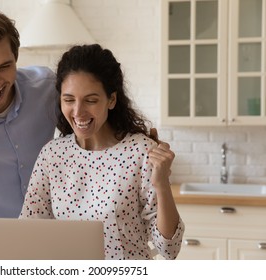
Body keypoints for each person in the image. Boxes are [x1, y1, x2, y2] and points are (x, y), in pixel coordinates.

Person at [0, 8, 175, 240]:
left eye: (4, 67)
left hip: (51, 251)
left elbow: (89, 113)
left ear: (16, 57)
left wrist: (141, 146)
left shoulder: (45, 88)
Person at [20, 44, 184, 260]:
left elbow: (169, 250)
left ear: (112, 100)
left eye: (91, 100)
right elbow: (28, 232)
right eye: (69, 100)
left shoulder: (141, 152)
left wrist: (161, 184)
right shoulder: (52, 154)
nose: (78, 112)